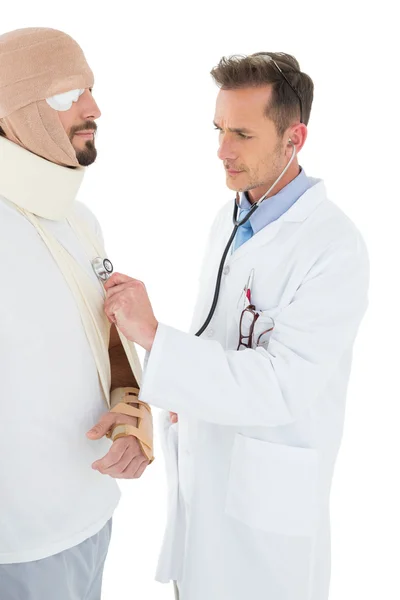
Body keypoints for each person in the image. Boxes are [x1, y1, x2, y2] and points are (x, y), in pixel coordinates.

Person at [104, 52, 369, 600]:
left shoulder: (334, 247)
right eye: (219, 129)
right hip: (205, 489)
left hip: (268, 520)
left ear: (294, 137)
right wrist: (179, 389)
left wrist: (154, 336)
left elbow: (281, 385)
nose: (222, 150)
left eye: (242, 134)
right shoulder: (233, 217)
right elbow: (222, 342)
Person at [0, 27, 153, 600]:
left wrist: (131, 415)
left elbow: (106, 344)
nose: (93, 109)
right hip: (17, 543)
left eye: (88, 89)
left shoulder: (81, 220)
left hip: (92, 515)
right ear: (15, 112)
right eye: (68, 96)